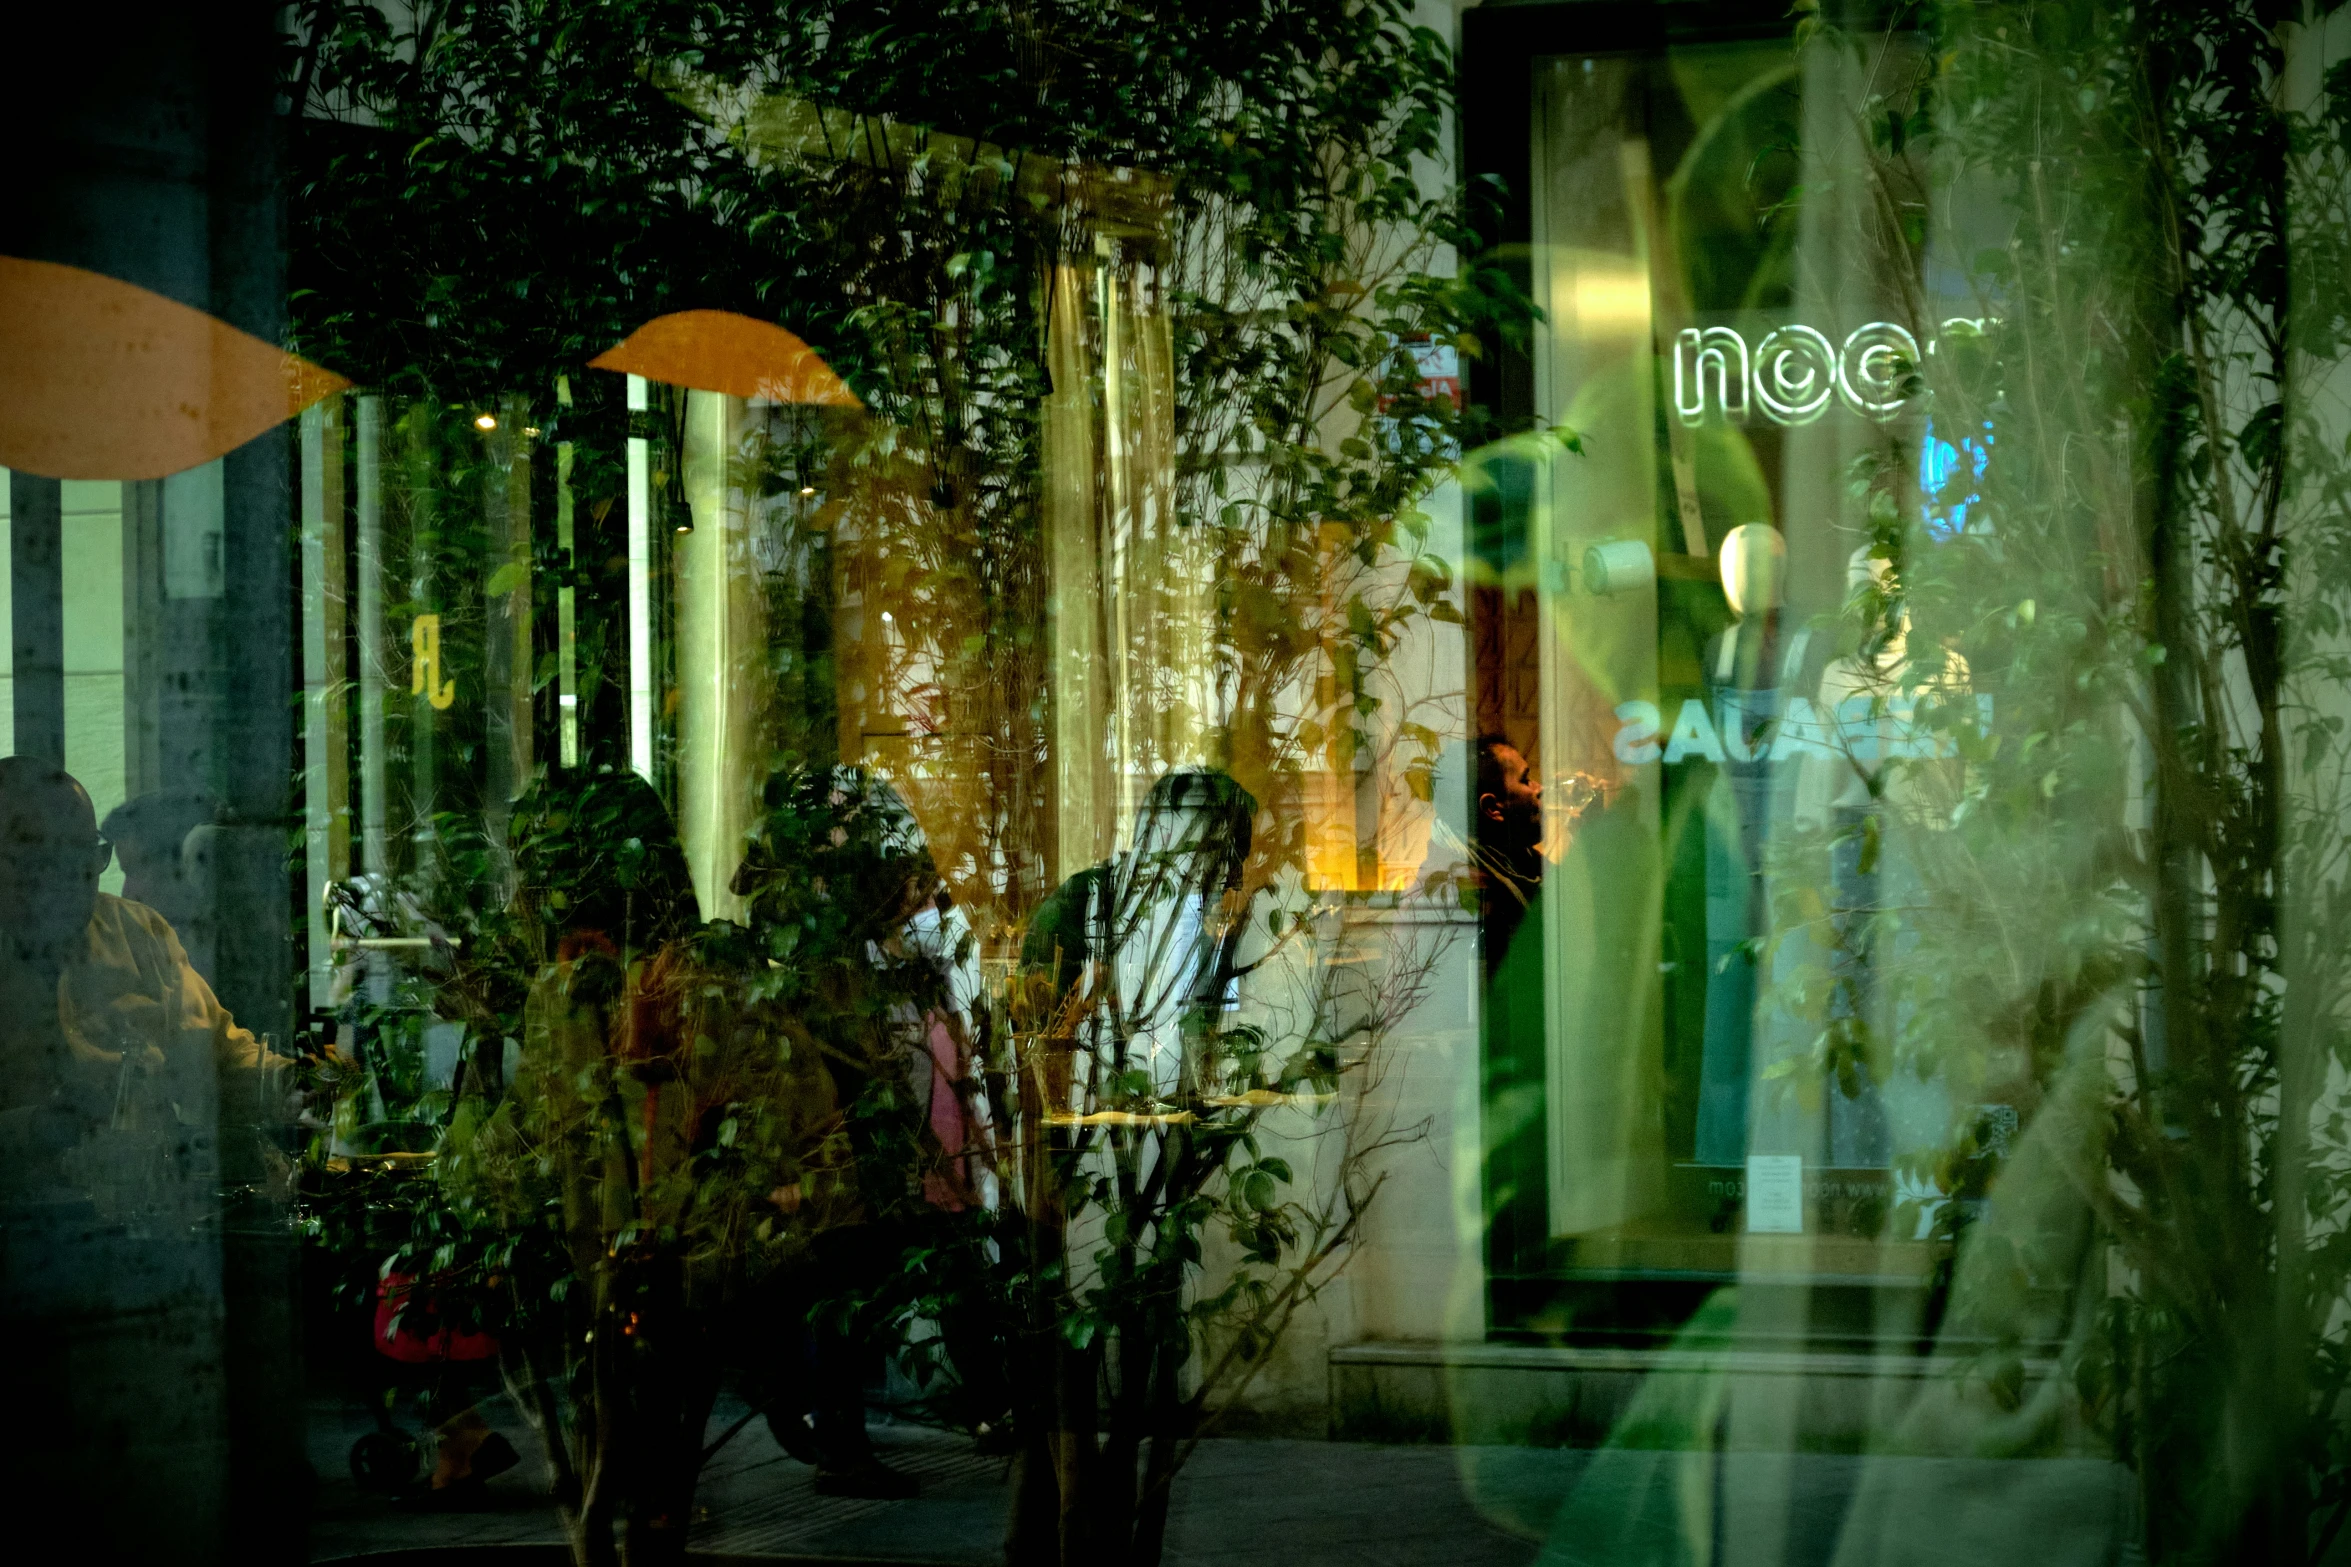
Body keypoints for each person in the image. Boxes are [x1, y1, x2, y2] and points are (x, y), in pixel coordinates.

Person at [0, 760, 267, 1215]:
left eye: (90, 853)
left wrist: (303, 1081)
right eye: (51, 856)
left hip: (145, 1216)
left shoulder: (138, 932)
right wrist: (37, 1127)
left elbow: (220, 1059)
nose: (82, 874)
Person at [1473, 733, 1545, 979]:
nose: (1539, 787)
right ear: (1493, 808)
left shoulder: (1519, 863)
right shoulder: (1474, 894)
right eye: (1526, 780)